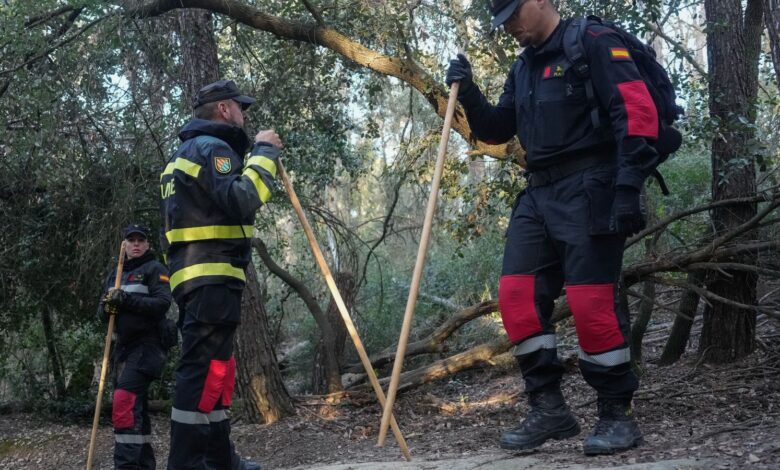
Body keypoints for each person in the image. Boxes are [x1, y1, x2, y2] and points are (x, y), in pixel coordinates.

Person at [446, 0, 657, 455]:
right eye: (501, 24)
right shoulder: (522, 69)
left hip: (591, 187)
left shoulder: (593, 43)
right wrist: (468, 92)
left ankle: (616, 416)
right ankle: (549, 409)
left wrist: (627, 187)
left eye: (513, 17)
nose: (509, 29)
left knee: (590, 302)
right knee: (516, 296)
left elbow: (636, 112)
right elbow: (497, 130)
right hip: (538, 192)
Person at [159, 79, 283, 470]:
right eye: (240, 108)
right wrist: (264, 152)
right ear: (225, 110)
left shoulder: (187, 152)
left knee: (218, 372)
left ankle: (217, 460)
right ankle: (187, 465)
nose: (244, 116)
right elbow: (242, 201)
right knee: (201, 373)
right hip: (209, 277)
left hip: (207, 279)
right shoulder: (211, 149)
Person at [98, 224, 172, 469]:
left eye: (141, 240)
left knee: (124, 401)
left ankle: (126, 466)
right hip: (124, 351)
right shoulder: (115, 275)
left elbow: (162, 303)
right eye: (131, 240)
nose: (136, 244)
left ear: (147, 244)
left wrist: (126, 300)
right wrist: (108, 307)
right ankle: (143, 465)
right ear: (124, 245)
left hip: (148, 347)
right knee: (134, 407)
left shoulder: (155, 269)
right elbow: (102, 313)